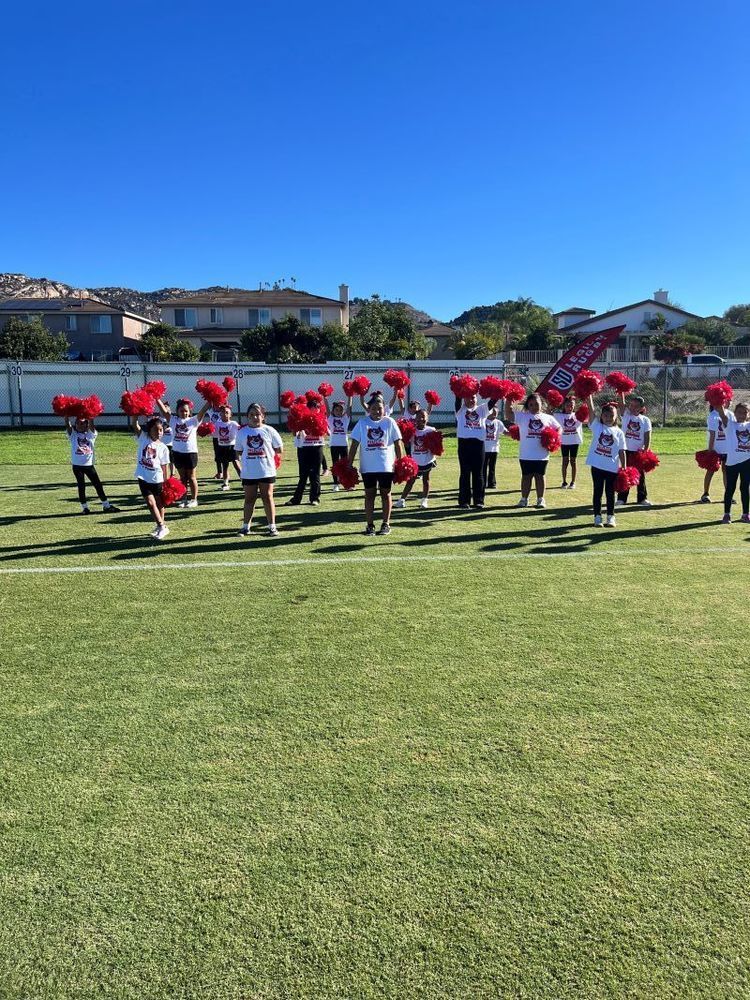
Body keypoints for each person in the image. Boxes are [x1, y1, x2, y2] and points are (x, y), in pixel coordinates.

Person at [348, 393, 404, 536]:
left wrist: (401, 462)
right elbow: (354, 444)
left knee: (386, 494)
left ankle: (386, 524)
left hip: (386, 466)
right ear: (369, 409)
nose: (377, 411)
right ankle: (370, 525)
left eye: (379, 408)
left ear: (384, 409)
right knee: (369, 495)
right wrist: (349, 463)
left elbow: (398, 443)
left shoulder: (390, 422)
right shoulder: (362, 423)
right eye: (373, 408)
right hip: (368, 467)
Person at [504, 392, 562, 509]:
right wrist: (509, 399)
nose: (534, 406)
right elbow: (509, 414)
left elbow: (559, 428)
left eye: (536, 404)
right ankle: (524, 499)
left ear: (541, 404)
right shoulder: (522, 416)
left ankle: (541, 499)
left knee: (540, 476)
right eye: (531, 404)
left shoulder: (548, 417)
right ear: (527, 405)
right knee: (526, 477)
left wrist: (555, 437)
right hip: (526, 454)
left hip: (541, 454)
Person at [234, 403, 283, 536]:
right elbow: (238, 451)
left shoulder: (269, 430)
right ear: (247, 416)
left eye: (258, 414)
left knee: (267, 497)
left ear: (263, 416)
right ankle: (245, 527)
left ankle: (272, 527)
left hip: (266, 471)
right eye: (252, 414)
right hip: (249, 473)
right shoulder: (242, 432)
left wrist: (268, 457)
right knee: (249, 499)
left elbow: (279, 449)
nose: (255, 417)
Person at [156, 397, 208, 508]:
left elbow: (203, 410)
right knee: (182, 478)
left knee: (191, 477)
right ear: (177, 411)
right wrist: (157, 398)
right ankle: (183, 499)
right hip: (177, 452)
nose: (184, 413)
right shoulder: (173, 420)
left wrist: (210, 400)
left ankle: (194, 499)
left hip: (190, 453)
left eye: (186, 411)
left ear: (189, 411)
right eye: (181, 411)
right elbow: (164, 411)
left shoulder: (193, 420)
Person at [584, 397, 627, 527]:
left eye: (611, 415)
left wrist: (624, 467)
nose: (608, 418)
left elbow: (622, 451)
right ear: (601, 416)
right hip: (597, 466)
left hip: (611, 467)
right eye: (606, 415)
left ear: (616, 417)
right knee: (597, 491)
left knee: (610, 493)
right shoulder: (597, 427)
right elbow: (591, 410)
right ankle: (597, 517)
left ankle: (610, 517)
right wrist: (589, 397)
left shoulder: (619, 432)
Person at [64, 414, 119, 515]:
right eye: (78, 423)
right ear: (75, 425)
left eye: (83, 423)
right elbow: (68, 425)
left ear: (87, 425)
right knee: (81, 486)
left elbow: (92, 424)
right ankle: (85, 508)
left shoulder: (91, 435)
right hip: (77, 466)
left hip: (89, 465)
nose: (80, 425)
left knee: (98, 485)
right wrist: (66, 415)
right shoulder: (73, 435)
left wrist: (90, 413)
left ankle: (106, 506)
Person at [454, 390, 499, 509]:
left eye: (473, 397)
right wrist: (460, 388)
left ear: (477, 398)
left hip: (478, 444)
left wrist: (498, 390)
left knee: (478, 473)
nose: (471, 400)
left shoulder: (482, 409)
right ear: (464, 399)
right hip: (464, 444)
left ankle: (479, 501)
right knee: (465, 472)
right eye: (468, 397)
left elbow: (493, 401)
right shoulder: (460, 410)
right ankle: (464, 501)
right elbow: (457, 398)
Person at [130, 413, 171, 540]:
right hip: (143, 476)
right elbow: (134, 424)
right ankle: (161, 526)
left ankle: (161, 526)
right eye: (155, 430)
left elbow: (164, 466)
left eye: (161, 430)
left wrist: (166, 482)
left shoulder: (163, 448)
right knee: (150, 503)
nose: (159, 432)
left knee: (159, 504)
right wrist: (135, 413)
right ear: (149, 430)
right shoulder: (143, 438)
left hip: (157, 479)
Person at [714, 400, 750, 523]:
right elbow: (722, 414)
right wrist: (719, 402)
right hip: (732, 462)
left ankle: (745, 514)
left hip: (747, 462)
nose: (742, 415)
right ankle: (727, 514)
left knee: (745, 488)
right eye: (739, 412)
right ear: (734, 413)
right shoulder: (730, 425)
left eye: (745, 412)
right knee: (730, 488)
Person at [395, 408, 438, 508]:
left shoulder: (431, 430)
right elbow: (406, 443)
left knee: (426, 480)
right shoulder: (411, 430)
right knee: (410, 480)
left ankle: (424, 500)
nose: (421, 419)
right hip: (415, 461)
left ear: (427, 418)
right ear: (415, 419)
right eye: (418, 417)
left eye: (423, 417)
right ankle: (402, 500)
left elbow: (436, 446)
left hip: (427, 459)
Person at [287, 402, 328, 506]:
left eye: (318, 407)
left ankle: (315, 498)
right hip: (304, 448)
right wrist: (296, 424)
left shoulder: (322, 418)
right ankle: (296, 499)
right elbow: (294, 433)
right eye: (313, 407)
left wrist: (319, 424)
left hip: (317, 447)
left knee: (315, 475)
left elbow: (327, 432)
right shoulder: (302, 418)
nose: (316, 409)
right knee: (303, 476)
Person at [616, 393, 652, 506]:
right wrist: (621, 391)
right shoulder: (626, 415)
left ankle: (642, 498)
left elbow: (647, 436)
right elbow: (621, 404)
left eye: (636, 406)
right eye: (631, 405)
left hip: (638, 452)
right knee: (624, 473)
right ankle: (621, 498)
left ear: (642, 408)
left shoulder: (645, 420)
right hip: (625, 451)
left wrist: (646, 451)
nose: (632, 408)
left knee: (640, 475)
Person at [700, 405, 728, 503]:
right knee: (710, 471)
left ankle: (728, 494)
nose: (728, 402)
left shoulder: (730, 414)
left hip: (727, 449)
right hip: (716, 449)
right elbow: (712, 434)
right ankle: (705, 493)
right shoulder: (713, 416)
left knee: (726, 471)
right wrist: (710, 451)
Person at [557, 395, 584, 489]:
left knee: (573, 462)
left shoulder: (578, 415)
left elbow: (588, 413)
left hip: (574, 442)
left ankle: (573, 482)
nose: (570, 407)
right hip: (564, 442)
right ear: (564, 405)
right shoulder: (559, 416)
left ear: (574, 405)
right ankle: (564, 482)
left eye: (572, 405)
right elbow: (549, 413)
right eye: (567, 405)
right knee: (565, 461)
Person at [326, 396, 352, 492]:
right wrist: (325, 397)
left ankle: (347, 484)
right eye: (336, 410)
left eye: (341, 410)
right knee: (335, 464)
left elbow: (349, 407)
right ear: (333, 411)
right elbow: (327, 408)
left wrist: (350, 396)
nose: (338, 412)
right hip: (334, 445)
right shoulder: (330, 419)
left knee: (345, 465)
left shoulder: (345, 419)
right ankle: (336, 484)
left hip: (344, 445)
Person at [214, 403, 242, 490]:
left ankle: (245, 482)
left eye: (227, 412)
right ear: (220, 414)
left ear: (230, 414)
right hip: (222, 447)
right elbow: (214, 435)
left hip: (232, 446)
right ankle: (225, 484)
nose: (224, 414)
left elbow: (241, 432)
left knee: (236, 464)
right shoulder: (217, 424)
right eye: (222, 412)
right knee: (224, 466)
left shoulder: (233, 424)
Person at [483, 411, 508, 490]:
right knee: (483, 467)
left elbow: (505, 432)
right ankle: (482, 483)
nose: (495, 414)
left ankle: (492, 483)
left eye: (496, 412)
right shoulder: (483, 420)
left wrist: (515, 432)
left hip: (494, 448)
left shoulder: (498, 422)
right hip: (484, 448)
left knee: (492, 467)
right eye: (493, 412)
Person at [204, 401, 224, 480]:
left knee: (224, 455)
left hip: (223, 436)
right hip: (215, 437)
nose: (217, 406)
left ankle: (225, 472)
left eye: (218, 404)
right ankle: (219, 472)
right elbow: (208, 404)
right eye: (215, 404)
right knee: (217, 455)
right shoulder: (211, 411)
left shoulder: (223, 412)